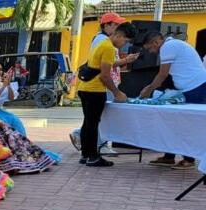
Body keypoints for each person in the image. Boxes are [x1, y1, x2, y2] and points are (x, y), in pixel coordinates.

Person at [139, 31, 206, 169]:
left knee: (186, 124)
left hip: (195, 88)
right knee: (173, 120)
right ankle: (169, 156)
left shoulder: (168, 47)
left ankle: (189, 159)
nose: (152, 52)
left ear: (156, 42)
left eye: (150, 48)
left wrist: (149, 90)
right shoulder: (174, 45)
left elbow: (162, 74)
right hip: (190, 88)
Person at [76, 21, 134, 167]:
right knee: (93, 124)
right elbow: (105, 76)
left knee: (88, 123)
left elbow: (101, 65)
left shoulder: (101, 43)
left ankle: (86, 155)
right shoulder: (108, 47)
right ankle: (94, 157)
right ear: (119, 35)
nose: (124, 44)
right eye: (125, 41)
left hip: (84, 88)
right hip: (95, 90)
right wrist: (117, 92)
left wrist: (125, 60)